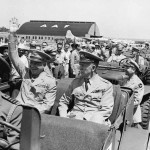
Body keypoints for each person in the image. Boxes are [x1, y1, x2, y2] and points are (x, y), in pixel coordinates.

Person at [8, 18, 57, 114]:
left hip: (33, 115)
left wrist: (29, 112)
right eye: (32, 62)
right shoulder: (25, 72)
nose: (33, 66)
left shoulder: (50, 81)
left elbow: (47, 106)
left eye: (37, 64)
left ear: (44, 65)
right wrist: (12, 34)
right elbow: (13, 55)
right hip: (16, 110)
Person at [58, 51, 114, 125]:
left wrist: (90, 124)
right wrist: (63, 117)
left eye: (83, 65)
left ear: (93, 68)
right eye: (80, 65)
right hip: (73, 120)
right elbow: (63, 101)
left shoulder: (106, 85)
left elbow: (106, 109)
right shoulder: (75, 82)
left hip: (94, 122)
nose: (80, 68)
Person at [122, 58, 144, 125]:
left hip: (130, 115)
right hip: (121, 113)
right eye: (125, 67)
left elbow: (136, 101)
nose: (125, 69)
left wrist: (123, 107)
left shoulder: (138, 83)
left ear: (133, 69)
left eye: (127, 67)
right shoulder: (126, 79)